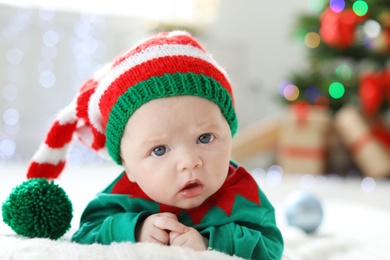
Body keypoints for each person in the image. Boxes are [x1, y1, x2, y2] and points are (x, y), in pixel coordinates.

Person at [26, 31, 283, 259]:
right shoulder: (121, 194)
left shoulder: (241, 191)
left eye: (205, 138)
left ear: (229, 132)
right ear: (129, 167)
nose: (189, 162)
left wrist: (210, 243)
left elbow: (271, 248)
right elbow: (86, 234)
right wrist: (136, 229)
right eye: (159, 150)